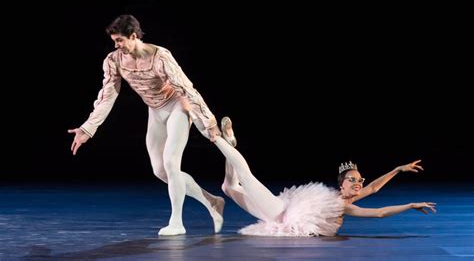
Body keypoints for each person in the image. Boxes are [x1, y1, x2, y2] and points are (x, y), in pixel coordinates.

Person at [68, 14, 225, 236]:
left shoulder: (160, 57)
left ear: (133, 36)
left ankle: (177, 223)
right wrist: (87, 129)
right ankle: (212, 202)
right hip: (155, 111)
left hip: (177, 107)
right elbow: (107, 97)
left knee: (171, 163)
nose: (116, 45)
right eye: (114, 41)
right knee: (161, 171)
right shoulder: (114, 61)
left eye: (120, 40)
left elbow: (186, 88)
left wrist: (208, 121)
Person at [214, 117, 436, 237]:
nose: (358, 184)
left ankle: (230, 143)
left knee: (228, 186)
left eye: (360, 180)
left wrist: (397, 171)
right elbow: (378, 211)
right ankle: (218, 139)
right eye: (353, 180)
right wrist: (409, 202)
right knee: (246, 177)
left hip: (277, 218)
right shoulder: (341, 204)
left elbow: (375, 193)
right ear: (342, 184)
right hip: (278, 211)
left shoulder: (345, 202)